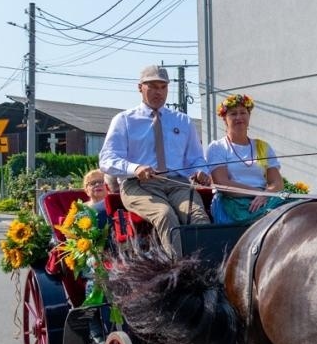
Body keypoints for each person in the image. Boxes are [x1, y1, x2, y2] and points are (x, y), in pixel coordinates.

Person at [99, 64, 211, 251]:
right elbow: (107, 159)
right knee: (165, 214)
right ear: (140, 87)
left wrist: (201, 171)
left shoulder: (182, 121)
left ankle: (208, 268)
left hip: (178, 184)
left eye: (163, 87)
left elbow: (196, 158)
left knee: (198, 217)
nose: (158, 92)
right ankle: (180, 272)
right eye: (152, 86)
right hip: (138, 185)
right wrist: (135, 168)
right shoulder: (124, 120)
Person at [205, 93, 285, 225]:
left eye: (243, 112)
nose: (239, 117)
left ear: (249, 116)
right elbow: (222, 183)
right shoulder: (217, 147)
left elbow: (277, 182)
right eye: (233, 114)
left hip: (263, 199)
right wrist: (258, 193)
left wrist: (266, 194)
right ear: (224, 119)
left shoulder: (263, 146)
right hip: (231, 203)